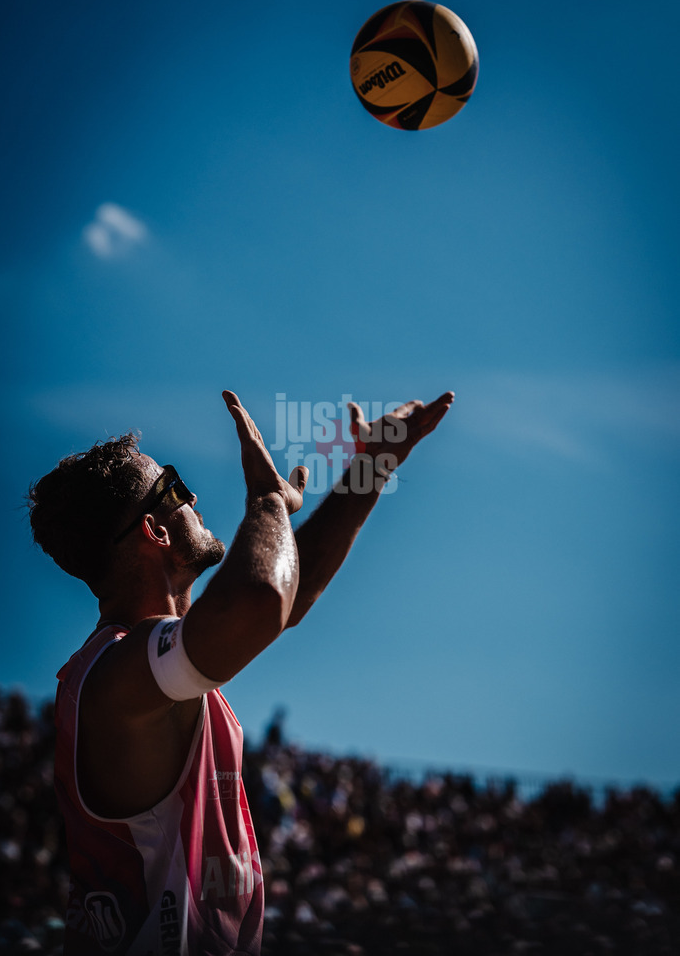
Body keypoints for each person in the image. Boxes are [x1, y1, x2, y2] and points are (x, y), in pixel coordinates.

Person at [27, 388, 454, 955]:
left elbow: (284, 596)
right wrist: (266, 498)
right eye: (174, 488)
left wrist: (372, 465)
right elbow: (260, 601)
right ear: (155, 532)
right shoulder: (112, 678)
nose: (195, 496)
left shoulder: (155, 663)